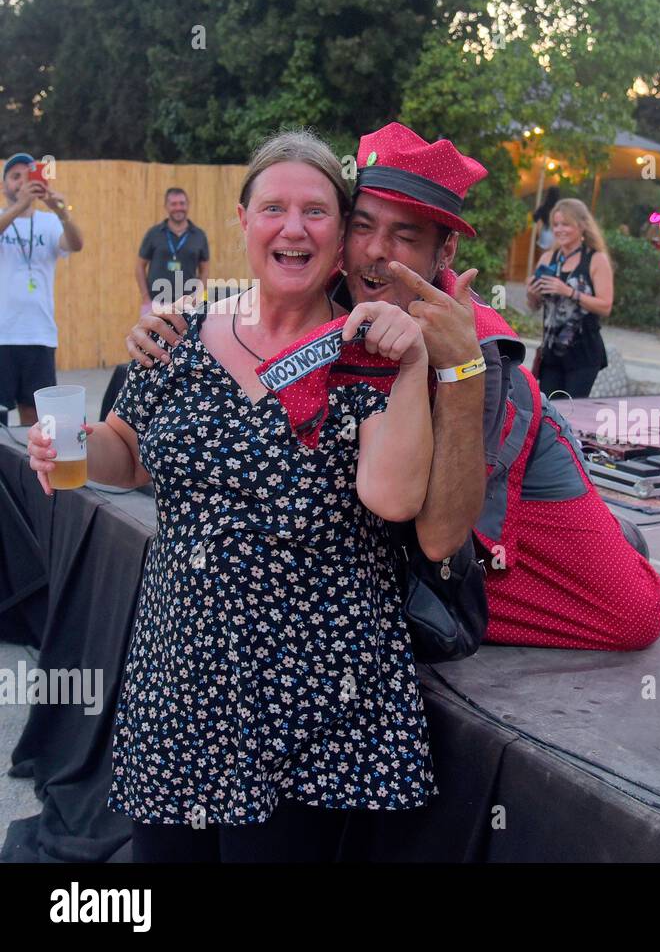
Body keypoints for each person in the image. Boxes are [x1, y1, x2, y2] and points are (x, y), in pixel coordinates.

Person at [27, 129, 447, 862]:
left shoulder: (367, 350)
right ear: (244, 222)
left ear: (341, 237)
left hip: (308, 693)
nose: (293, 227)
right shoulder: (181, 332)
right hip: (177, 674)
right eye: (274, 208)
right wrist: (63, 446)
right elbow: (126, 454)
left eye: (316, 212)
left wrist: (413, 363)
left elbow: (393, 498)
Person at [127, 123, 660, 653]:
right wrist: (182, 320)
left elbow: (440, 537)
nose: (375, 252)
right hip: (403, 496)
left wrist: (459, 373)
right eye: (362, 227)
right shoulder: (337, 287)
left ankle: (615, 536)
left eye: (406, 236)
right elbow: (263, 300)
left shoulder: (473, 343)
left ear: (446, 252)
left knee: (634, 613)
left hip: (516, 475)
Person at [0, 153, 85, 425]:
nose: (23, 182)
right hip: (3, 335)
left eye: (29, 176)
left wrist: (61, 210)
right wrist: (20, 205)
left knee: (35, 417)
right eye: (16, 177)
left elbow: (76, 243)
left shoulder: (49, 222)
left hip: (39, 334)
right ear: (4, 187)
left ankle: (28, 468)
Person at [526, 197, 613, 399]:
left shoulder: (595, 259)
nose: (559, 230)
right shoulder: (549, 258)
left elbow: (606, 306)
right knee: (549, 414)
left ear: (581, 226)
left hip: (583, 354)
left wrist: (569, 292)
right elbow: (534, 305)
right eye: (556, 225)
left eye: (566, 224)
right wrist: (533, 293)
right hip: (551, 354)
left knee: (572, 414)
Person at [136, 187, 210, 316]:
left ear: (188, 205)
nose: (178, 208)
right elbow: (139, 267)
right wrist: (146, 298)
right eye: (173, 204)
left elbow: (205, 270)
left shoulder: (199, 235)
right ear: (166, 206)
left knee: (186, 337)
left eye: (182, 203)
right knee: (151, 337)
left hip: (186, 305)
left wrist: (196, 297)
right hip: (156, 304)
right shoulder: (154, 234)